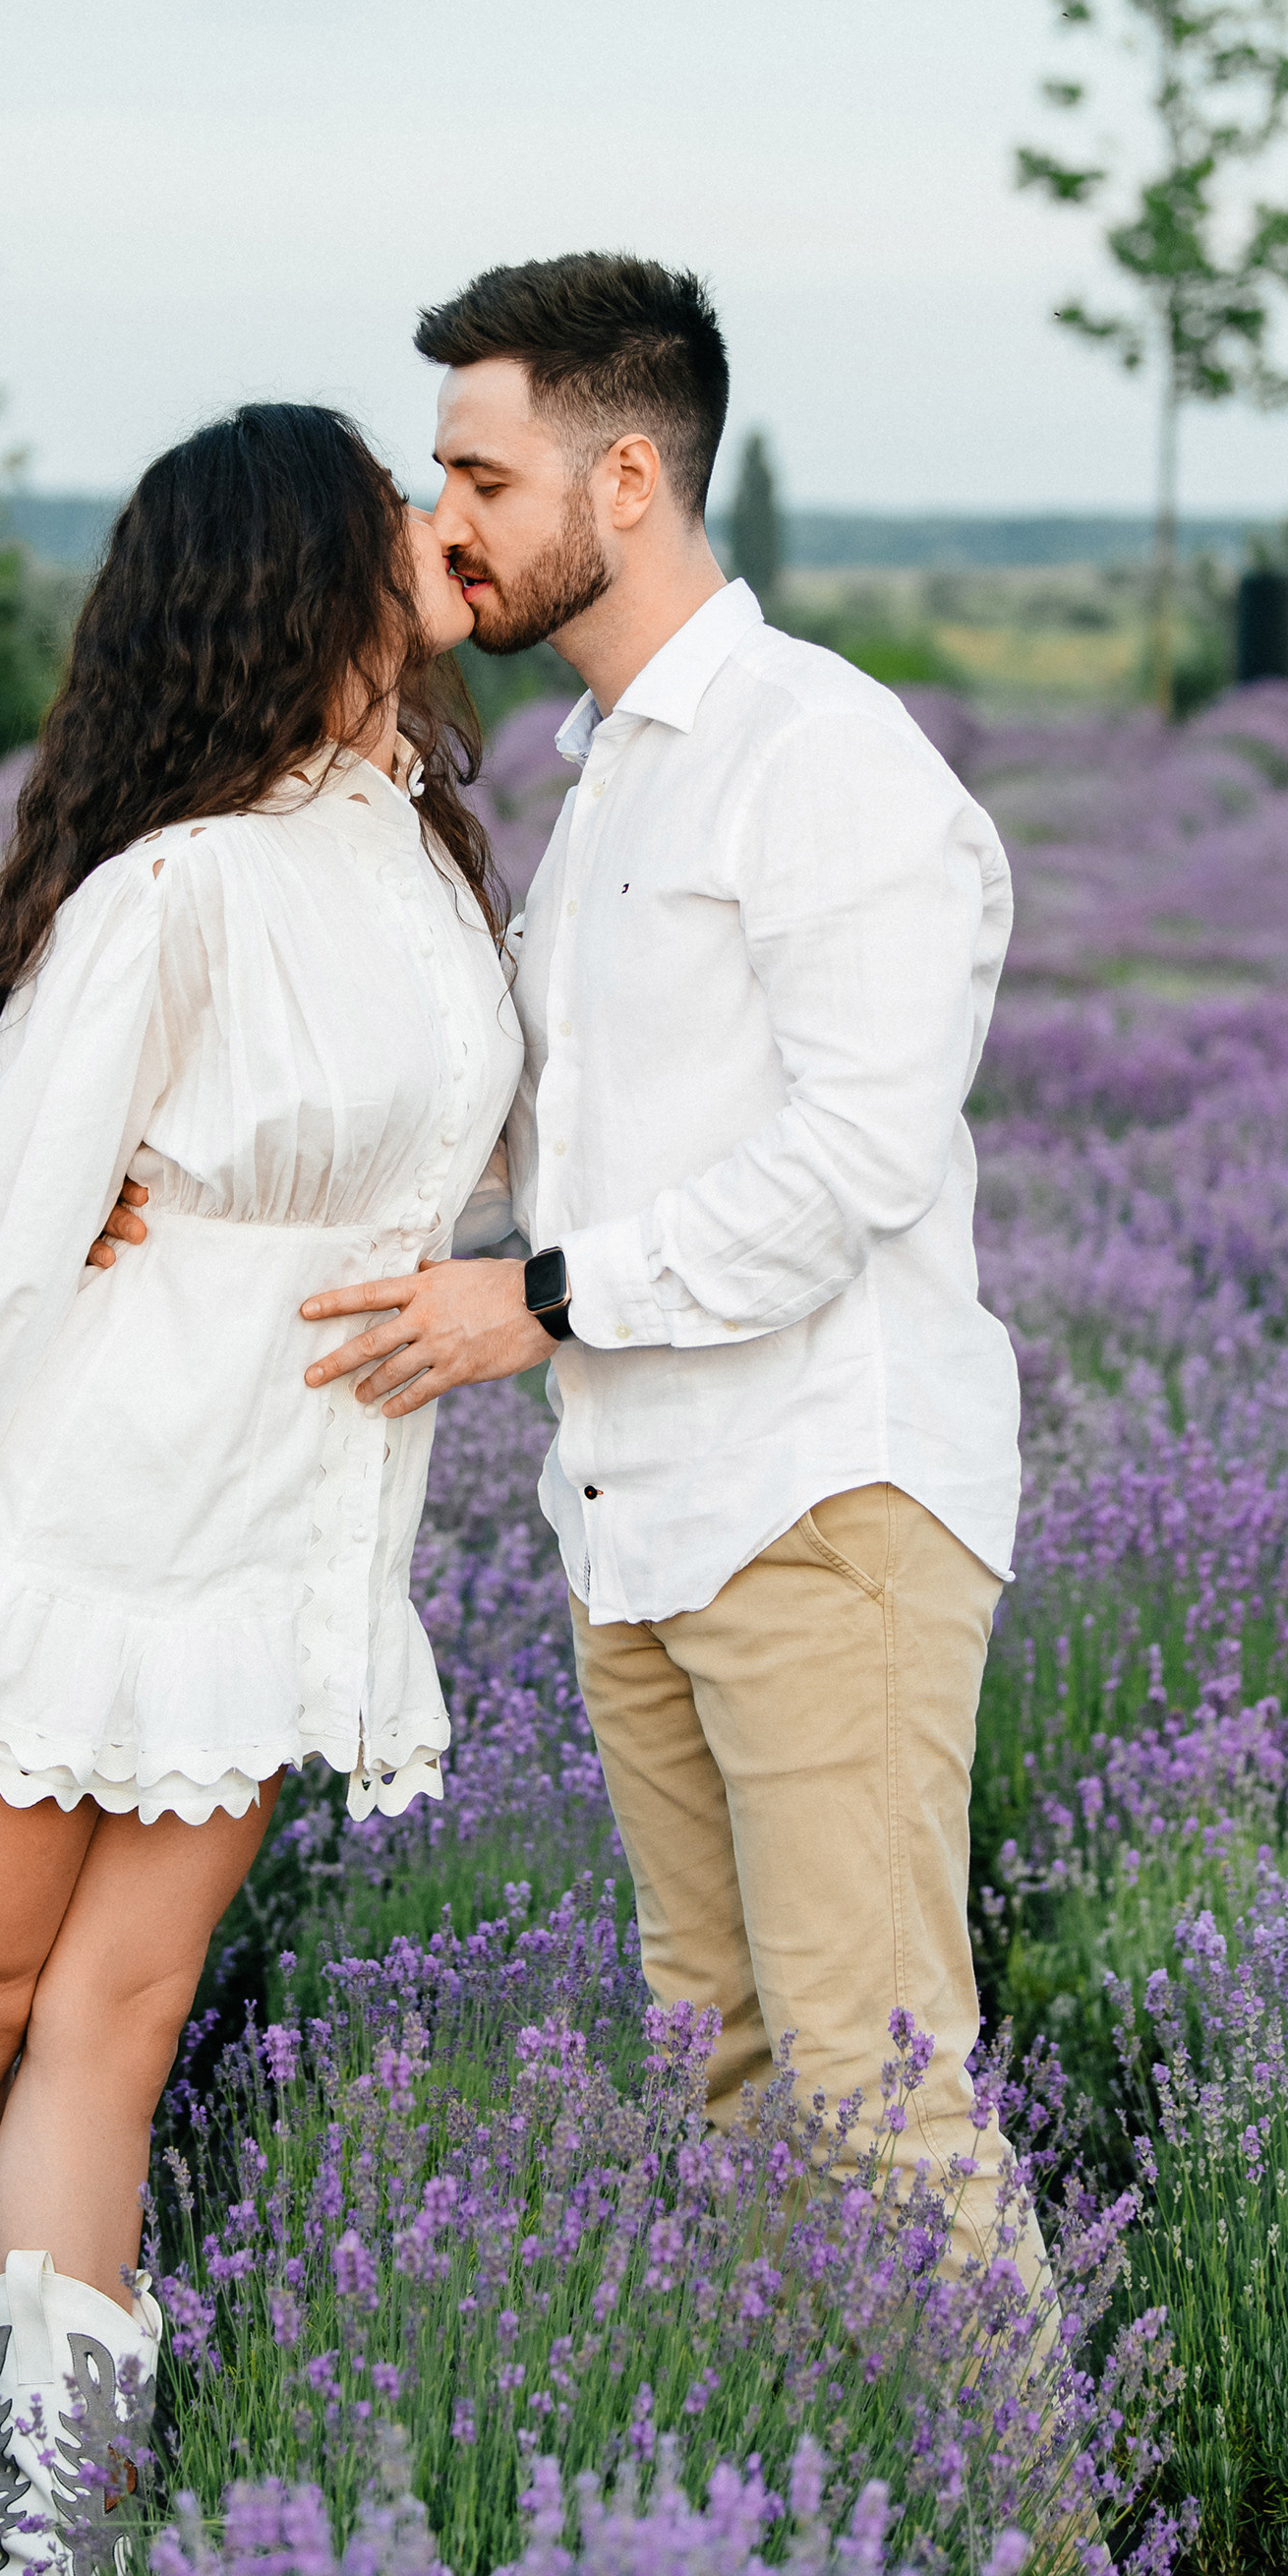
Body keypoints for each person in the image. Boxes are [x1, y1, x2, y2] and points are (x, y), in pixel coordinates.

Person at [0, 403, 518, 2576]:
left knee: (117, 2021)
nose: (426, 552)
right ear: (285, 593)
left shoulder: (421, 850)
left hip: (279, 1528)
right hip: (81, 1507)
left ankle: (47, 2547)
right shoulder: (168, 890)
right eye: (381, 534)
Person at [299, 252, 1044, 2301]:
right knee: (727, 2082)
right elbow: (574, 1149)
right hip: (643, 1520)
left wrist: (526, 1304)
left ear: (623, 481)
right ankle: (833, 2571)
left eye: (478, 470)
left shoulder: (823, 755)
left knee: (880, 2095)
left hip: (824, 1506)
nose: (442, 515)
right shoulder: (609, 769)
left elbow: (854, 1163)